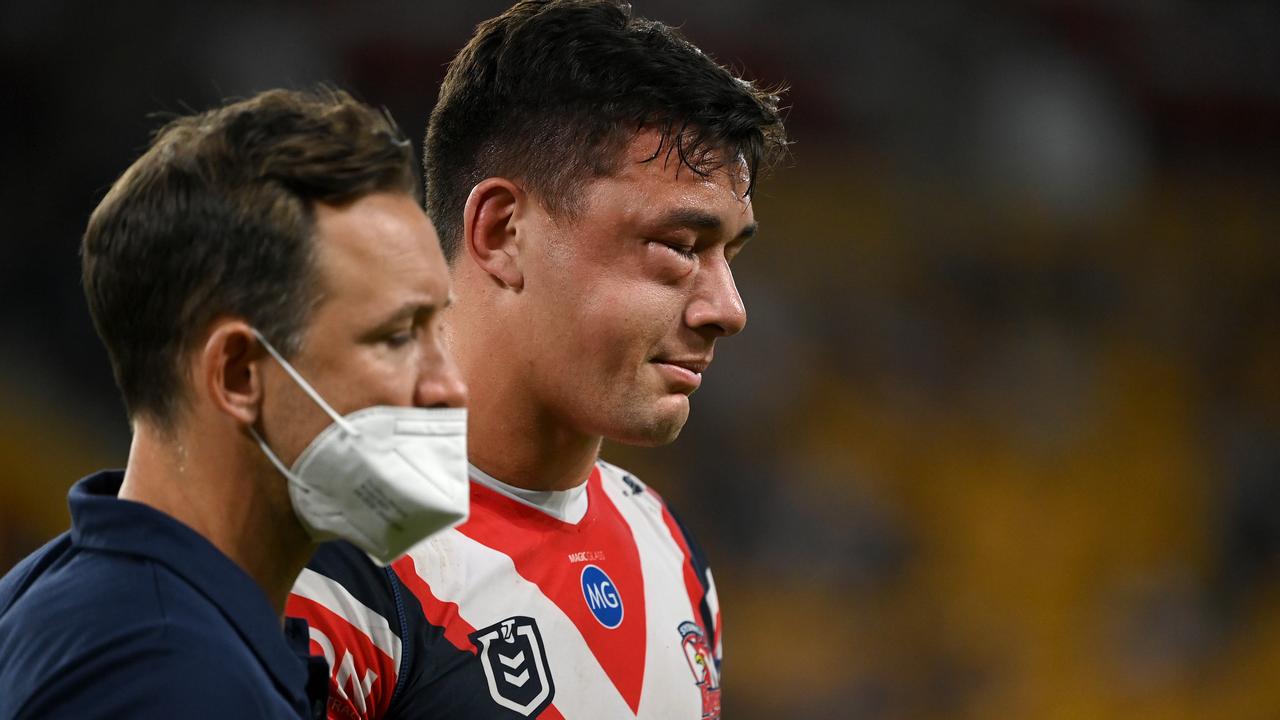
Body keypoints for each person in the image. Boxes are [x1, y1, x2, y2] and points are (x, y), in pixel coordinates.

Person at [287, 1, 787, 718]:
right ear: (502, 231)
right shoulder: (325, 552)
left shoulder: (669, 551)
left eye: (729, 255)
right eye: (679, 246)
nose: (729, 309)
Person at [0, 88, 469, 719]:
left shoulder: (76, 598)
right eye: (395, 337)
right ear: (239, 374)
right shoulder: (171, 681)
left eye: (438, 328)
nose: (450, 386)